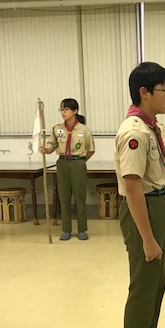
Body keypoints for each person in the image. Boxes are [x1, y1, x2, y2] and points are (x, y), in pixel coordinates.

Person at [114, 62, 165, 328]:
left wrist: (163, 220)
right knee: (143, 285)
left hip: (155, 205)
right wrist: (148, 238)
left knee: (156, 282)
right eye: (164, 90)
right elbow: (133, 187)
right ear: (145, 92)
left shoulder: (151, 127)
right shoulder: (134, 132)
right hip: (141, 208)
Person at [40, 98, 95, 241]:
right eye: (61, 109)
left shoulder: (84, 129)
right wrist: (46, 150)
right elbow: (51, 146)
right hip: (62, 163)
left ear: (75, 111)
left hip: (78, 163)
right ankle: (66, 230)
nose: (63, 112)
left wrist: (80, 162)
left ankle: (82, 229)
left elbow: (90, 149)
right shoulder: (57, 129)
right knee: (64, 197)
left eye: (66, 109)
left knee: (79, 198)